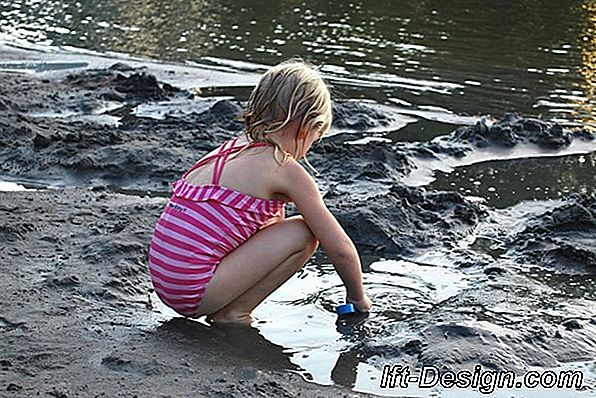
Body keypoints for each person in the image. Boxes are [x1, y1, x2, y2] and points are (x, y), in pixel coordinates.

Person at [148, 59, 372, 325]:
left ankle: (225, 304)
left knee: (271, 221)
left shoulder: (228, 149)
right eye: (316, 136)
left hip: (165, 283)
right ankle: (234, 313)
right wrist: (357, 297)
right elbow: (341, 248)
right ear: (305, 128)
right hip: (193, 290)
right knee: (304, 231)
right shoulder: (283, 169)